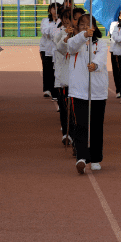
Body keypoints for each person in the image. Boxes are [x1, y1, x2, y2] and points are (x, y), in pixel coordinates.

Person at [67, 14, 108, 173]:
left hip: (97, 91)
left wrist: (95, 64)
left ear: (95, 26)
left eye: (88, 24)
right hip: (79, 91)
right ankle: (81, 157)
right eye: (82, 24)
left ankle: (96, 158)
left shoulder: (101, 44)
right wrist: (83, 35)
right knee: (81, 124)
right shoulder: (75, 42)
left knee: (96, 126)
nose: (85, 26)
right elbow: (70, 47)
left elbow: (102, 59)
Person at [53, 9, 75, 144]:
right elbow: (60, 48)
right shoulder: (60, 33)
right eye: (64, 18)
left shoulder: (79, 35)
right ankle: (66, 133)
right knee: (64, 107)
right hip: (63, 78)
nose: (67, 21)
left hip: (76, 78)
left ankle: (72, 132)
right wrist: (66, 36)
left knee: (74, 109)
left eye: (69, 18)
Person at [109, 10, 121, 103]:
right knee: (120, 73)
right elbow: (115, 37)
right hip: (119, 53)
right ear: (119, 17)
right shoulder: (117, 27)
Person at [40, 2, 58, 99]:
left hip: (57, 49)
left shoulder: (61, 21)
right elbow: (45, 32)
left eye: (57, 8)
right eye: (53, 8)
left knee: (56, 69)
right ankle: (47, 89)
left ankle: (55, 89)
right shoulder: (45, 21)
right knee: (47, 69)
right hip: (46, 48)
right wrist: (53, 27)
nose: (55, 10)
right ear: (50, 10)